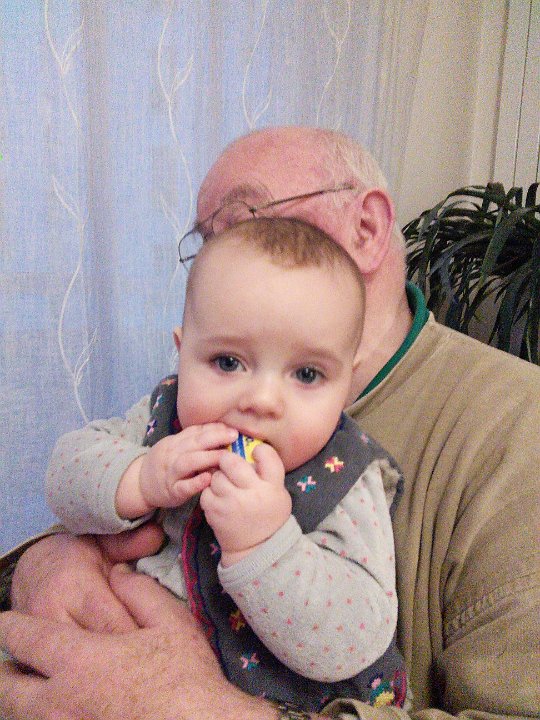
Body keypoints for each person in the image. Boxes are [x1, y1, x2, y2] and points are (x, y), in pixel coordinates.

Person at [1, 126, 538, 720]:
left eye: (243, 221)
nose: (259, 399)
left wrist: (262, 555)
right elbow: (80, 475)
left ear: (366, 229)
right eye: (205, 241)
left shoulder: (494, 432)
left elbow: (354, 634)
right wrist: (68, 542)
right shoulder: (188, 401)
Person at [44, 216, 407, 711]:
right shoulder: (163, 419)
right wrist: (140, 478)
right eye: (228, 363)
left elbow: (355, 637)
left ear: (347, 384)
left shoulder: (346, 476)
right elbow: (64, 473)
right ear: (182, 354)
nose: (262, 400)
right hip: (115, 680)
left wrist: (265, 544)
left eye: (306, 374)